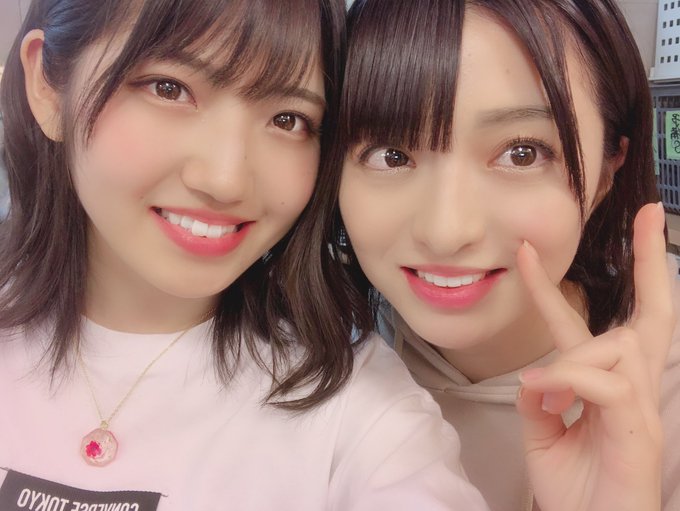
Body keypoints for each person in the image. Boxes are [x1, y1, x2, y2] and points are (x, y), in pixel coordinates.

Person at [0, 1, 491, 509]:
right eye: (169, 88)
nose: (225, 180)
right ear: (47, 86)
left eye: (288, 119)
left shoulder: (360, 411)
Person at [291, 0, 680, 509]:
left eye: (522, 153)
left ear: (609, 168)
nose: (445, 232)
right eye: (391, 155)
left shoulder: (666, 387)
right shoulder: (304, 363)